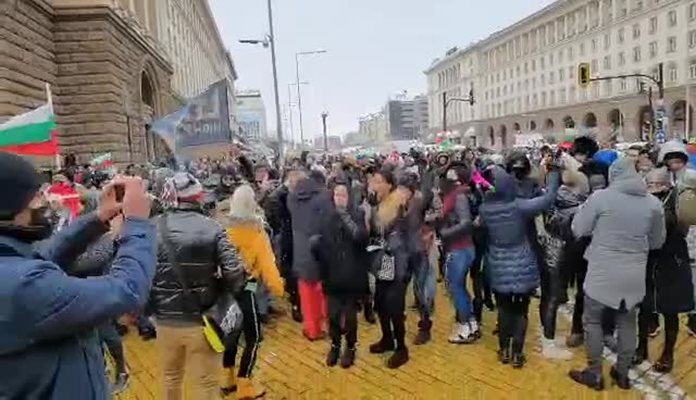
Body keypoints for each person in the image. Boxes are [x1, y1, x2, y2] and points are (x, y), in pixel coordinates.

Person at [0, 152, 155, 399]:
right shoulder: (22, 286)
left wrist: (97, 219)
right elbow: (127, 290)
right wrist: (136, 223)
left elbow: (44, 256)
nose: (47, 200)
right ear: (8, 207)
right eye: (37, 194)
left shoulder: (12, 263)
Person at [569, 159, 665, 391]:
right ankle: (622, 374)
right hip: (633, 275)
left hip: (602, 273)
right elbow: (656, 242)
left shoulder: (601, 198)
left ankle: (594, 373)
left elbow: (578, 229)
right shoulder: (653, 204)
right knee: (627, 323)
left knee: (593, 322)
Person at [149, 172, 246, 400]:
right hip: (203, 319)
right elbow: (235, 271)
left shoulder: (152, 228)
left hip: (164, 319)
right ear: (198, 197)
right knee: (207, 383)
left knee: (171, 377)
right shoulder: (213, 228)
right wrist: (223, 290)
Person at [479, 164, 560, 368]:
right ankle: (517, 353)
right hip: (522, 260)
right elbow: (547, 200)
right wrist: (552, 179)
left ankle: (504, 349)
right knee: (521, 310)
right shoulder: (519, 206)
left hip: (497, 262)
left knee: (504, 309)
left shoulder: (485, 209)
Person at [223, 185, 284, 398]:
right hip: (247, 289)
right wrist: (278, 289)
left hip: (226, 292)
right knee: (254, 337)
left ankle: (227, 378)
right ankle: (244, 385)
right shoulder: (257, 233)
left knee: (231, 334)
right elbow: (268, 266)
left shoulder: (223, 230)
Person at [633, 168, 694, 372]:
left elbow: (677, 224)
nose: (653, 189)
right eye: (650, 186)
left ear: (667, 185)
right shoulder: (641, 201)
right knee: (644, 308)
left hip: (672, 259)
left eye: (657, 186)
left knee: (670, 310)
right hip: (648, 260)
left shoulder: (678, 200)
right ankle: (641, 348)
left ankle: (667, 353)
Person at [313, 180, 369, 368]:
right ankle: (335, 345)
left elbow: (361, 238)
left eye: (343, 195)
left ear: (349, 197)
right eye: (336, 195)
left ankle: (351, 347)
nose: (339, 199)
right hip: (332, 274)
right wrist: (315, 246)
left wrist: (345, 217)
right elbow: (322, 244)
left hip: (352, 275)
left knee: (351, 317)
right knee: (333, 315)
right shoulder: (326, 216)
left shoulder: (357, 214)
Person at [367, 168, 412, 369]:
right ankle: (387, 339)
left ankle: (401, 349)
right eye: (373, 181)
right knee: (382, 303)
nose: (374, 185)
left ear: (389, 184)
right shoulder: (377, 205)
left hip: (399, 261)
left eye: (378, 181)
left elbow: (402, 235)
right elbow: (376, 234)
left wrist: (386, 244)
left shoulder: (399, 204)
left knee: (395, 307)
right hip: (384, 259)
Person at [287, 170, 334, 340]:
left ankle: (312, 330)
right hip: (322, 249)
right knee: (326, 293)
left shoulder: (291, 198)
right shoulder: (324, 197)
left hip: (301, 253)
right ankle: (331, 326)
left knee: (306, 295)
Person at [438, 162, 478, 344]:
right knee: (459, 288)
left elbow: (465, 222)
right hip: (459, 248)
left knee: (456, 289)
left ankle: (465, 327)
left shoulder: (460, 195)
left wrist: (444, 233)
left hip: (460, 248)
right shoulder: (454, 193)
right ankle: (471, 323)